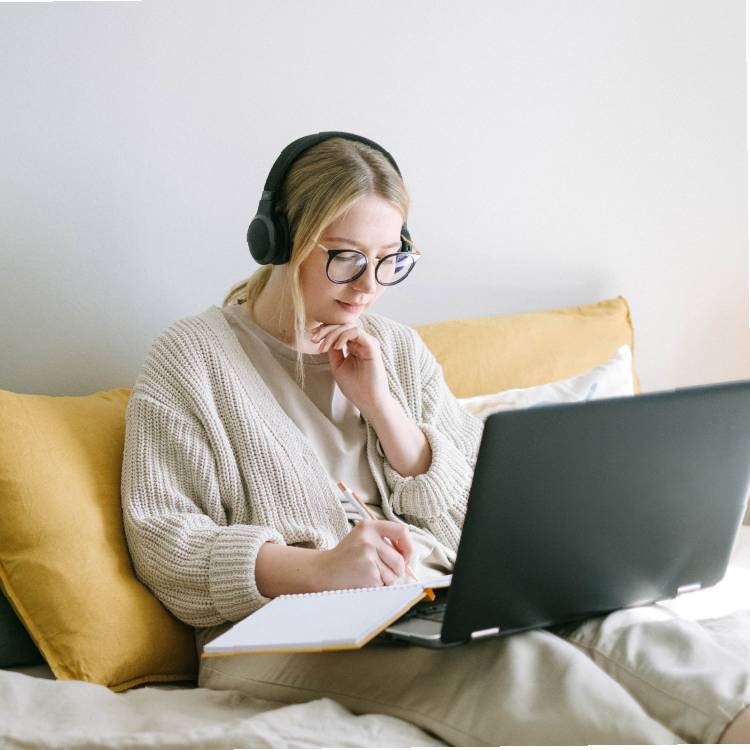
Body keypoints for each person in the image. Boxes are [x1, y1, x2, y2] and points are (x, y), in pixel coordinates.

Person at [121, 132, 750, 746]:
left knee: (632, 629)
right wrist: (319, 569)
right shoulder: (190, 361)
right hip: (274, 634)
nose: (368, 285)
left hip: (431, 597)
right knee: (528, 671)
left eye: (388, 259)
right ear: (280, 242)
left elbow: (479, 507)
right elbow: (165, 542)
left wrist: (384, 408)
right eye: (344, 256)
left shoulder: (393, 348)